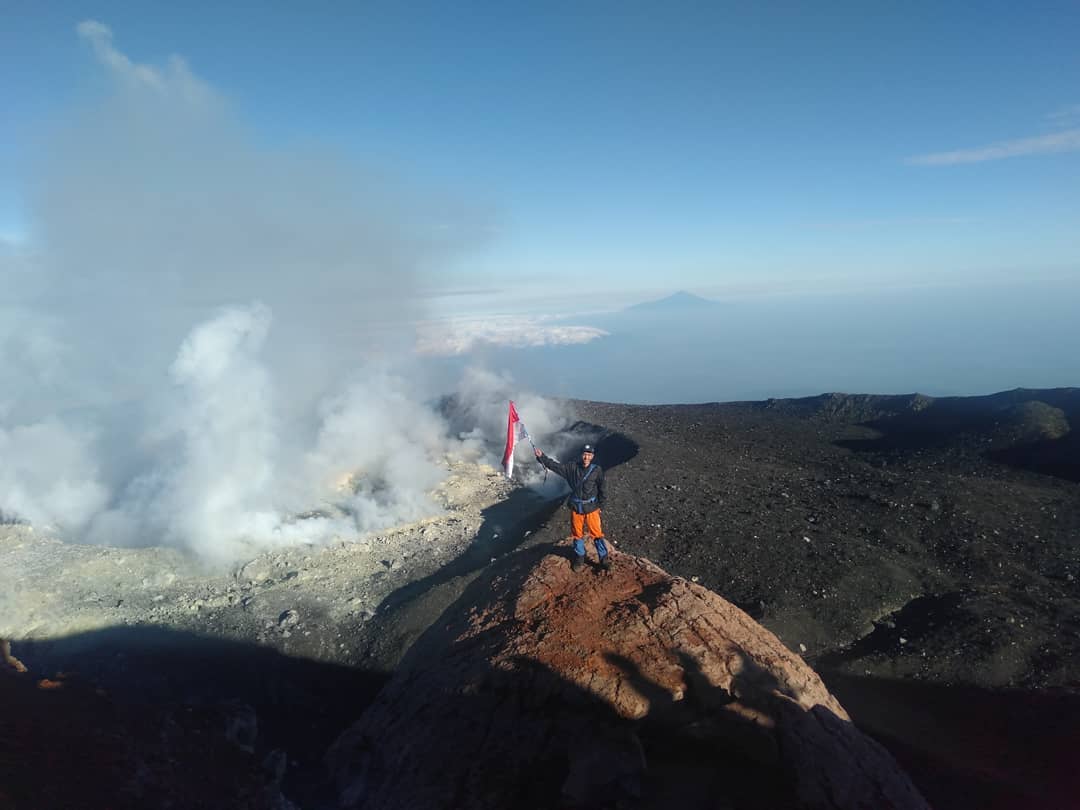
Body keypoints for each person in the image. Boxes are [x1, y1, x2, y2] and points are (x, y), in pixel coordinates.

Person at [533, 443, 611, 572]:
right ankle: (580, 558)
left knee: (597, 534)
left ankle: (603, 559)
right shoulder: (571, 468)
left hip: (591, 508)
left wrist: (601, 505)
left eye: (589, 455)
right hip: (577, 508)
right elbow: (555, 466)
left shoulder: (597, 470)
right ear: (581, 455)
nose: (586, 457)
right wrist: (542, 457)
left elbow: (602, 488)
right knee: (577, 534)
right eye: (585, 454)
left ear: (592, 456)